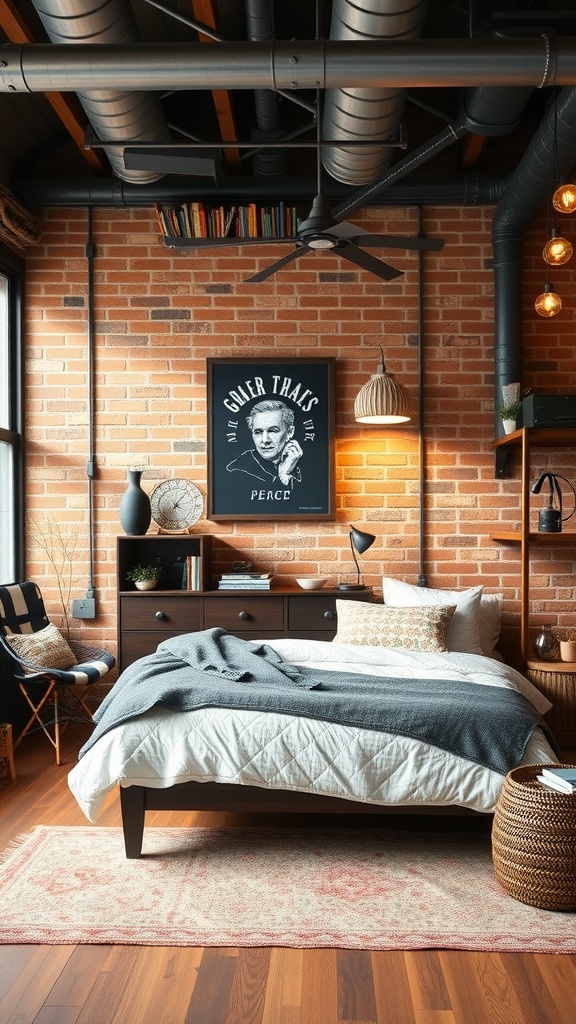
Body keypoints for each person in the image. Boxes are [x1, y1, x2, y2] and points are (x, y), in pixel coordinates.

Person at [226, 400, 303, 488]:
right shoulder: (238, 470)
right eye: (258, 432)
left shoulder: (309, 468)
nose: (265, 440)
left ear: (290, 432)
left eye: (273, 431)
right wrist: (283, 476)